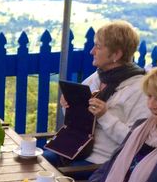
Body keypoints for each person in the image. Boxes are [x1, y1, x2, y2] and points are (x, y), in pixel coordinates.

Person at [45, 21, 147, 166]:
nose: (91, 51)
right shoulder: (98, 76)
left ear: (116, 54)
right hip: (71, 149)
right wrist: (68, 105)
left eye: (98, 47)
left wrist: (104, 116)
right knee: (32, 162)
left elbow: (136, 141)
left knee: (41, 175)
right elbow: (77, 120)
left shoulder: (139, 90)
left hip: (100, 164)